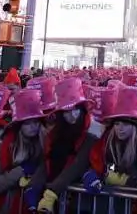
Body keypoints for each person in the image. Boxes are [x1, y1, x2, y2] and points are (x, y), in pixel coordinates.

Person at [26, 78, 98, 212]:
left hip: (77, 202)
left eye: (75, 109)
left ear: (82, 110)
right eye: (66, 111)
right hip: (51, 200)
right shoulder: (54, 136)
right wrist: (34, 185)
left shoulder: (90, 137)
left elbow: (77, 166)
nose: (71, 115)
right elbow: (46, 161)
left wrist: (52, 191)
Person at [84, 85, 137, 193]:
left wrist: (125, 180)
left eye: (126, 124)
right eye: (117, 124)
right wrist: (102, 173)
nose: (120, 128)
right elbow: (110, 166)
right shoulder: (108, 140)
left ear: (134, 127)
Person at [0, 89, 47, 214]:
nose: (33, 126)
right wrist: (20, 172)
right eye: (27, 123)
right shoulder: (0, 150)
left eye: (36, 122)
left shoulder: (46, 146)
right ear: (19, 126)